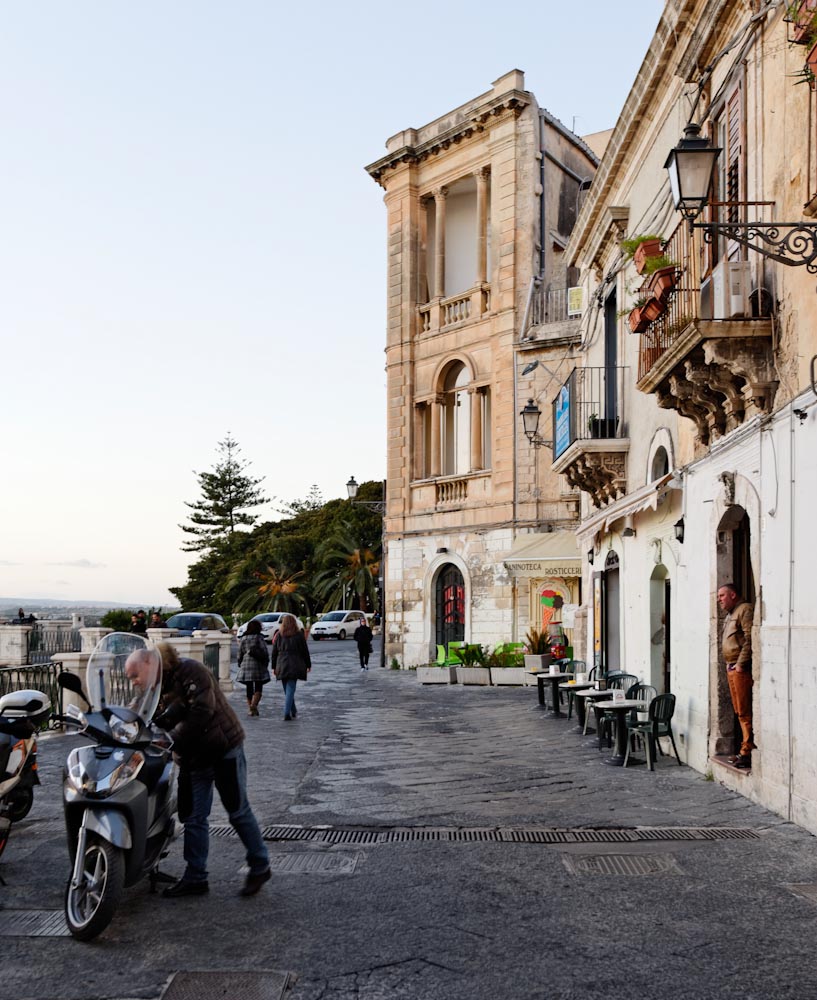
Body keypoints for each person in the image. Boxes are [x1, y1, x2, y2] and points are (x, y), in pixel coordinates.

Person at [153, 641, 271, 898]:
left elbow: (201, 711)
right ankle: (196, 876)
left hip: (222, 748)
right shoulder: (154, 684)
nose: (137, 681)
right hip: (193, 756)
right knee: (193, 817)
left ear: (158, 665)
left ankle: (260, 864)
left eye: (139, 674)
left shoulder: (191, 671)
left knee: (238, 811)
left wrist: (171, 738)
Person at [717, 583, 755, 769]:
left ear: (733, 595)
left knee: (744, 710)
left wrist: (740, 664)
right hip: (730, 667)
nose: (719, 600)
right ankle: (742, 749)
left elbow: (750, 638)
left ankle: (747, 751)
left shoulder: (744, 609)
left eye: (722, 595)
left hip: (739, 669)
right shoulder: (730, 614)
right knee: (739, 710)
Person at [271, 614, 311, 721]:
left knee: (288, 689)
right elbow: (305, 651)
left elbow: (274, 652)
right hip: (295, 664)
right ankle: (287, 712)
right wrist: (308, 664)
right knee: (290, 689)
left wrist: (273, 666)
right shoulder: (299, 635)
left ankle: (292, 710)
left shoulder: (279, 635)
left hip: (282, 664)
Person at [236, 620, 271, 716]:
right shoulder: (259, 638)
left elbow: (239, 653)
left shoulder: (243, 638)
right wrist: (266, 662)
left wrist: (240, 663)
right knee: (258, 686)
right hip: (258, 665)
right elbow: (264, 652)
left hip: (246, 665)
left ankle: (250, 709)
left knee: (249, 687)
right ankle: (254, 705)